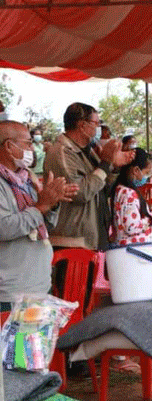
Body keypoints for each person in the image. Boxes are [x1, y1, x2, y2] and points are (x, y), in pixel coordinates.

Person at [0, 121, 77, 305]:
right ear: (9, 146)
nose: (32, 148)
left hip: (38, 285)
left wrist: (52, 204)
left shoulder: (25, 179)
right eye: (28, 143)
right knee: (16, 329)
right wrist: (41, 206)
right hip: (12, 293)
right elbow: (3, 228)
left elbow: (43, 224)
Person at [44, 103, 134, 250]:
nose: (98, 128)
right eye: (96, 123)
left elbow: (101, 188)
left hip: (93, 237)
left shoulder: (89, 151)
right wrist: (105, 162)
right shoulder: (62, 153)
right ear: (82, 125)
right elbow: (80, 193)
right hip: (72, 242)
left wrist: (113, 167)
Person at [111, 148, 152, 246]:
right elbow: (131, 227)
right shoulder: (129, 193)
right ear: (136, 170)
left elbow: (131, 214)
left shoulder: (120, 188)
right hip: (135, 248)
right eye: (146, 173)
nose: (145, 178)